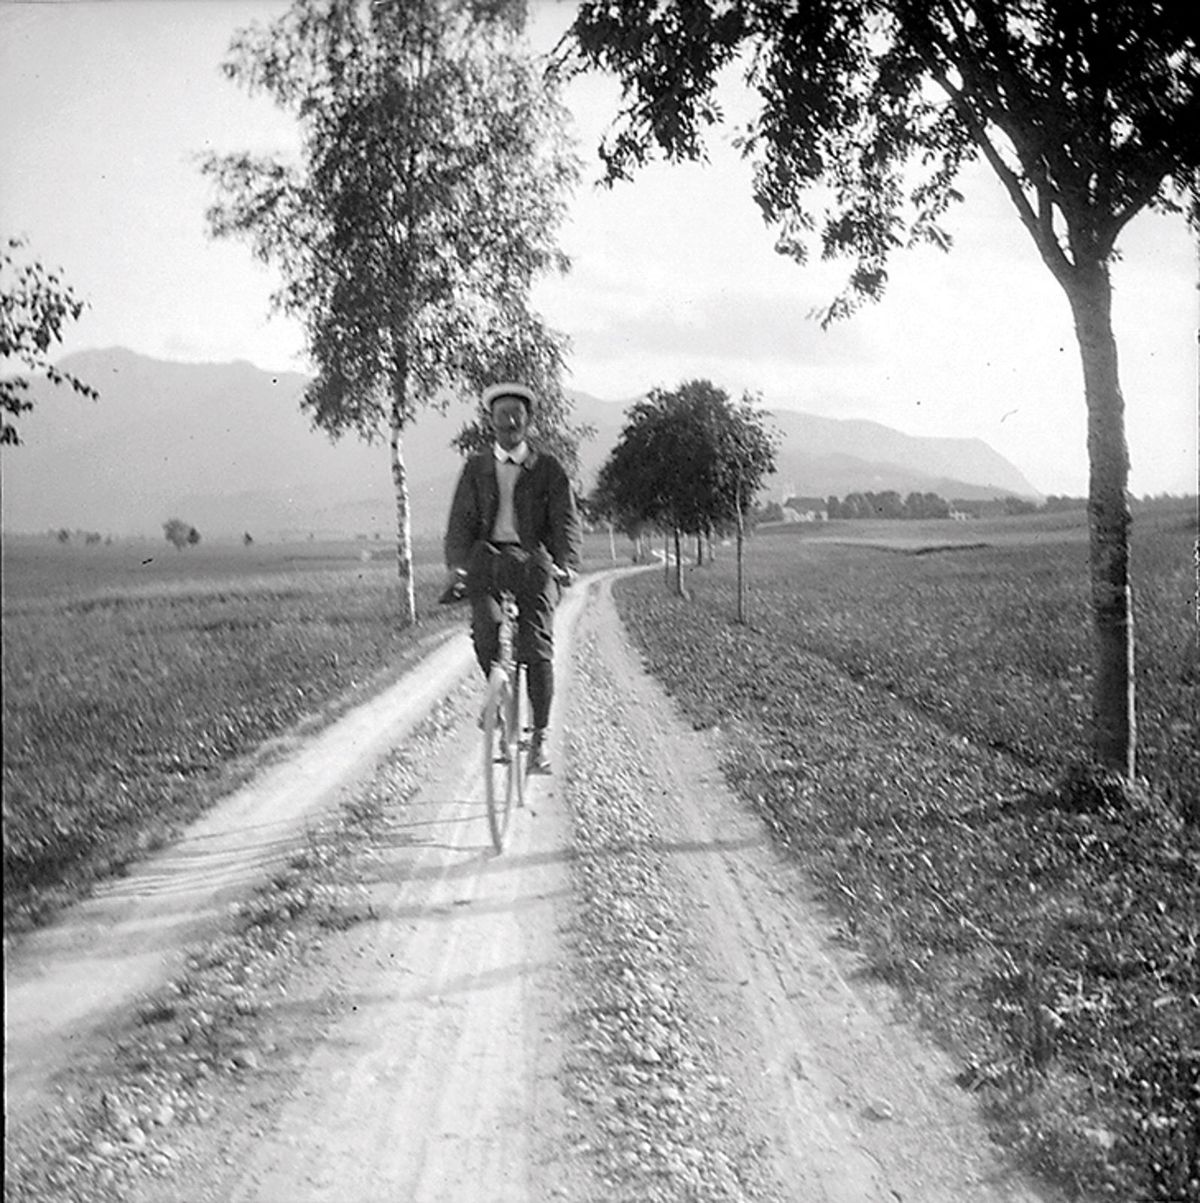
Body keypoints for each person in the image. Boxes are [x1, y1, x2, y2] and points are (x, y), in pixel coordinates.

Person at [443, 382, 582, 773]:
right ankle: (498, 701)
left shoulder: (549, 469)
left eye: (517, 415)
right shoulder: (476, 467)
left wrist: (566, 562)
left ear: (528, 422)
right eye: (502, 415)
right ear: (491, 421)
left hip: (534, 563)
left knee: (536, 646)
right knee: (486, 629)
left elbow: (565, 522)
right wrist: (458, 564)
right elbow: (460, 521)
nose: (510, 422)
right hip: (488, 561)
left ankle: (538, 740)